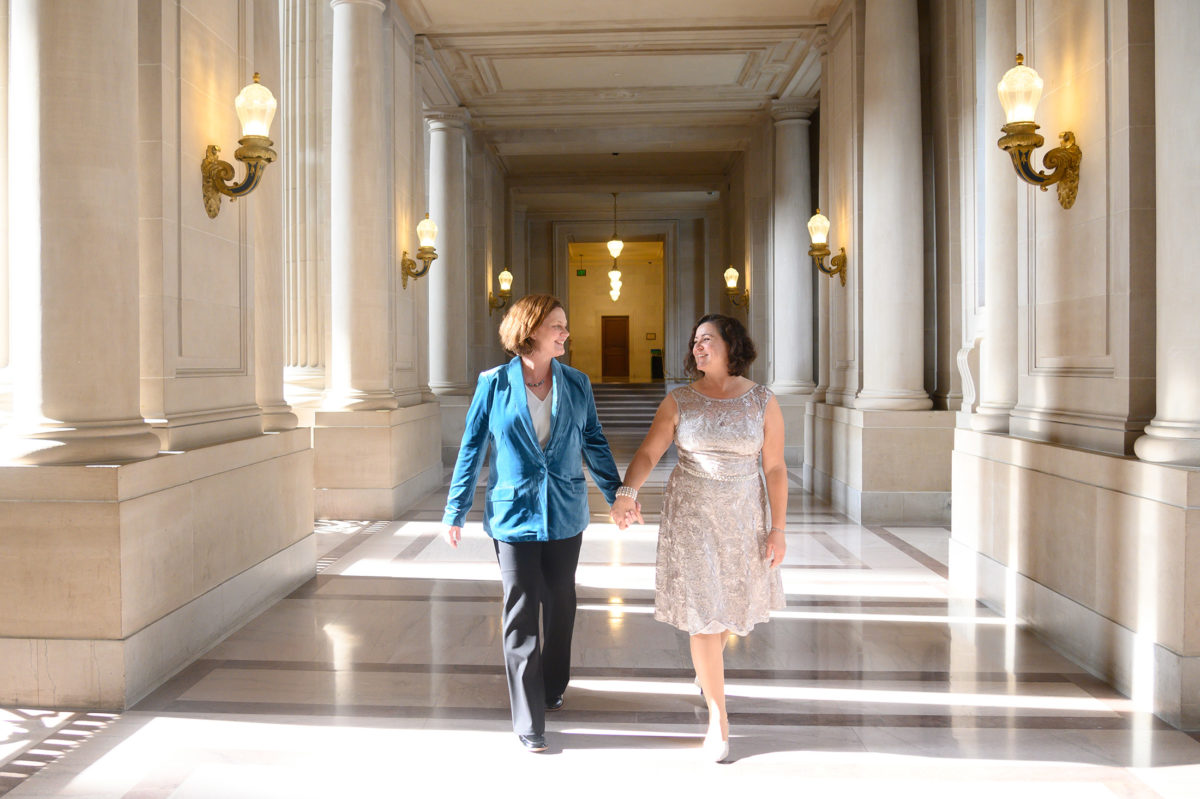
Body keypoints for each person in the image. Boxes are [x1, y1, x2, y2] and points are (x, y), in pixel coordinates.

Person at [442, 294, 625, 754]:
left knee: (561, 603)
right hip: (513, 515)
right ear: (530, 329)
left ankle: (553, 683)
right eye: (557, 326)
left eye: (565, 326)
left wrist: (617, 493)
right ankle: (528, 717)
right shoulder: (494, 384)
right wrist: (456, 509)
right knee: (520, 610)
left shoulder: (577, 383)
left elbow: (595, 442)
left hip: (565, 513)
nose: (565, 333)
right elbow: (472, 447)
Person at [611, 313, 787, 762]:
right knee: (705, 616)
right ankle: (718, 718)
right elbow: (651, 450)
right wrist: (627, 493)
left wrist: (778, 528)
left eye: (707, 340)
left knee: (727, 610)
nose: (698, 348)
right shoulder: (680, 400)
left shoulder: (763, 401)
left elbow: (774, 467)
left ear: (732, 345)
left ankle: (706, 674)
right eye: (694, 342)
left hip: (743, 519)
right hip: (691, 518)